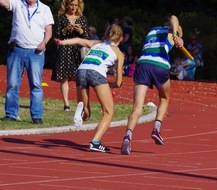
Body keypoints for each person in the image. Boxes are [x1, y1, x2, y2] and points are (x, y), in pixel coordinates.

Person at [54, 24, 124, 153]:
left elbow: (79, 40)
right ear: (121, 38)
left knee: (86, 115)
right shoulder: (119, 53)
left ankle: (80, 111)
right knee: (108, 112)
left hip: (81, 71)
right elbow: (119, 82)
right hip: (97, 73)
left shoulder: (97, 43)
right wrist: (107, 85)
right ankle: (95, 142)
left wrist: (62, 42)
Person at [120, 15, 184, 155]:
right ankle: (156, 128)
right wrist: (176, 35)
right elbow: (174, 18)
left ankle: (127, 136)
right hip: (160, 64)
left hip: (143, 64)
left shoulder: (153, 30)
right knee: (164, 98)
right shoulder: (171, 31)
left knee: (137, 107)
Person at [0, 0, 54, 124]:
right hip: (16, 50)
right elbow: (3, 3)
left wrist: (45, 42)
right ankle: (11, 114)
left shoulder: (45, 9)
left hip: (36, 53)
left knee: (36, 84)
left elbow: (49, 30)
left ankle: (36, 115)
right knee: (12, 83)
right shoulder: (18, 3)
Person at [51, 0, 89, 112]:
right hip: (65, 48)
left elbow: (86, 37)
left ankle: (81, 102)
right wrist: (66, 29)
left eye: (76, 5)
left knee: (80, 77)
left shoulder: (82, 19)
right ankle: (66, 104)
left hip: (78, 49)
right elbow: (57, 35)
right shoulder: (61, 18)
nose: (73, 7)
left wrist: (81, 30)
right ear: (67, 5)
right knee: (64, 77)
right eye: (71, 5)